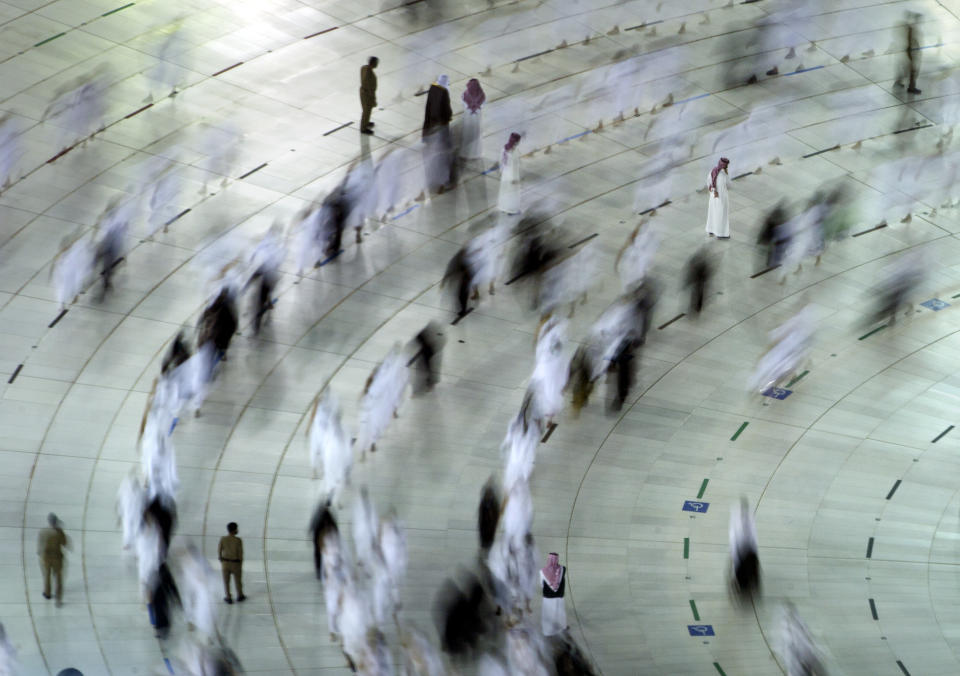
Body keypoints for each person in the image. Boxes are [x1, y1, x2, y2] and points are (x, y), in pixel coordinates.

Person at [422, 75, 454, 194]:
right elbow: (447, 113)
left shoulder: (433, 89)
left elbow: (428, 109)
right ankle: (443, 183)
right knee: (443, 157)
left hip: (430, 128)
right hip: (441, 129)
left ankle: (430, 181)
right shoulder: (444, 93)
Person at [729, 497, 761, 601]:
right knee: (739, 570)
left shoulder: (749, 515)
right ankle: (742, 587)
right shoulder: (735, 516)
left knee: (753, 567)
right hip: (739, 548)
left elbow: (753, 532)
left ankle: (753, 584)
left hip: (749, 547)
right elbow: (733, 534)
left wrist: (754, 549)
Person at [38, 513, 69, 606]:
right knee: (59, 578)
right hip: (57, 558)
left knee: (47, 576)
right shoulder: (59, 532)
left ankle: (47, 593)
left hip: (46, 558)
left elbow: (40, 545)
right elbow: (64, 543)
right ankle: (58, 599)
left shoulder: (43, 531)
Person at [309, 499, 339, 580]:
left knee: (320, 555)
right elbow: (333, 525)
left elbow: (333, 525)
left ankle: (321, 570)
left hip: (320, 538)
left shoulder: (324, 514)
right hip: (318, 537)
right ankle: (320, 570)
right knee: (319, 555)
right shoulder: (323, 514)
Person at [540, 552, 567, 636]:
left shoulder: (542, 571)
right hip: (559, 595)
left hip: (548, 596)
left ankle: (547, 631)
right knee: (560, 612)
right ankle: (562, 627)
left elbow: (541, 584)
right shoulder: (563, 569)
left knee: (548, 613)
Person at [218, 522, 245, 604]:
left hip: (225, 563)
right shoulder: (238, 540)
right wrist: (240, 563)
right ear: (234, 530)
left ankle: (228, 597)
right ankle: (239, 595)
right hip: (235, 563)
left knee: (226, 581)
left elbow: (219, 549)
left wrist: (221, 559)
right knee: (238, 581)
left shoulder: (223, 539)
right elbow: (240, 553)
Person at [896, 12, 922, 94]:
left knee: (907, 68)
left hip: (910, 50)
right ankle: (911, 87)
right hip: (911, 51)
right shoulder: (911, 28)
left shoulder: (910, 27)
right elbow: (911, 40)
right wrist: (915, 48)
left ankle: (898, 82)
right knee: (912, 70)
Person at [461, 78, 486, 164]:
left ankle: (466, 154)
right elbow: (482, 105)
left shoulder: (465, 94)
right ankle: (476, 153)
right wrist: (476, 110)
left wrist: (470, 109)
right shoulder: (482, 94)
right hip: (477, 117)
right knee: (476, 135)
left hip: (468, 116)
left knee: (468, 134)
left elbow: (463, 104)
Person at [705, 157, 730, 239]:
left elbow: (708, 183)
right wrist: (727, 174)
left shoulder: (713, 171)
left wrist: (712, 191)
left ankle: (710, 230)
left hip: (713, 197)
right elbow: (729, 185)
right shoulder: (724, 175)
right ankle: (721, 233)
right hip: (721, 198)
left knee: (712, 213)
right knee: (721, 215)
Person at [499, 133, 522, 214]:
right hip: (512, 175)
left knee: (504, 191)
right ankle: (511, 210)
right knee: (512, 193)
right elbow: (514, 166)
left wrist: (501, 171)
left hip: (505, 173)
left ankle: (503, 207)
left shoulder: (504, 148)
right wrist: (514, 179)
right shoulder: (514, 152)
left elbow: (501, 161)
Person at [360, 56, 378, 135]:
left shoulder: (364, 68)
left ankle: (366, 122)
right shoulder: (369, 73)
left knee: (367, 109)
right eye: (376, 63)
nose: (377, 64)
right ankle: (363, 128)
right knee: (367, 110)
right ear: (373, 63)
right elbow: (369, 87)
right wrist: (373, 99)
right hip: (367, 94)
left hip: (363, 91)